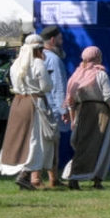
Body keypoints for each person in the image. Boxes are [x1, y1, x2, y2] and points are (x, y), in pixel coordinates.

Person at [0, 34, 55, 190]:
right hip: (34, 104)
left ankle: (26, 177)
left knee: (22, 139)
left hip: (18, 103)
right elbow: (46, 86)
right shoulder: (37, 63)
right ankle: (24, 175)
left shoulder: (15, 64)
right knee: (36, 140)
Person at [62, 46, 110, 190]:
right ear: (97, 58)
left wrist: (73, 119)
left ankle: (75, 178)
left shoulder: (76, 76)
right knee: (103, 145)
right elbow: (109, 96)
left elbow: (71, 101)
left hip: (82, 112)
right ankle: (96, 180)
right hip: (101, 113)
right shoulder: (100, 74)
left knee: (83, 146)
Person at [36, 25, 70, 188]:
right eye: (60, 39)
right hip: (51, 108)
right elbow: (59, 86)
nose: (62, 42)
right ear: (52, 40)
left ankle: (52, 178)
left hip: (37, 106)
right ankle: (40, 178)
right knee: (51, 144)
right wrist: (64, 109)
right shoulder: (54, 60)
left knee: (39, 143)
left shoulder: (37, 58)